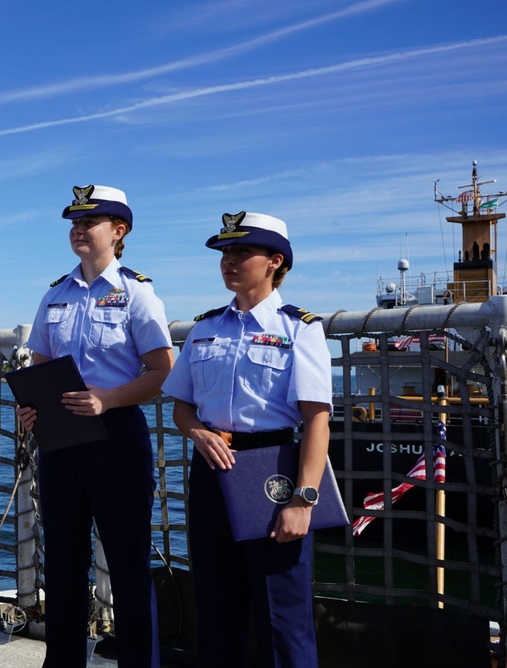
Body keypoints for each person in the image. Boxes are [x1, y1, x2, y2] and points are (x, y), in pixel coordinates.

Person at [165, 211, 332, 667]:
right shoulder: (204, 329)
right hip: (212, 467)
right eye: (225, 253)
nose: (229, 261)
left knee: (282, 614)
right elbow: (181, 404)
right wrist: (197, 432)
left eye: (242, 252)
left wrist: (304, 499)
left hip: (271, 468)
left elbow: (317, 420)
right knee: (216, 607)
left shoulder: (299, 328)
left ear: (275, 261)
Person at [16, 185, 173, 668]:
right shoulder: (54, 295)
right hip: (61, 440)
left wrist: (107, 399)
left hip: (117, 437)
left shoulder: (137, 294)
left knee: (127, 565)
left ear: (119, 231)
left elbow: (162, 372)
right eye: (74, 223)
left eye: (91, 222)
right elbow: (39, 368)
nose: (78, 230)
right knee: (63, 562)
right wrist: (30, 408)